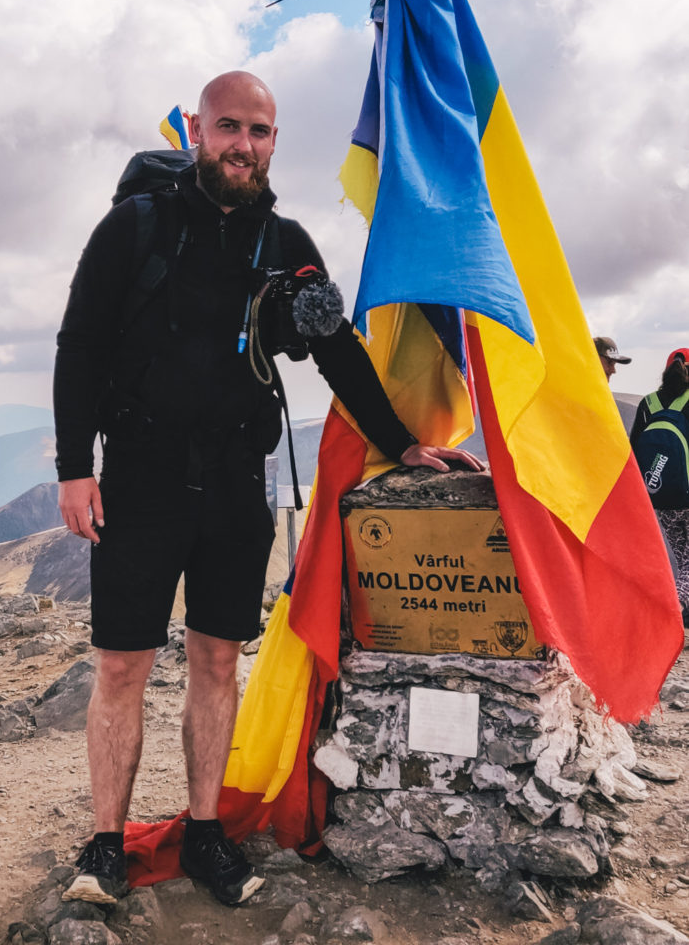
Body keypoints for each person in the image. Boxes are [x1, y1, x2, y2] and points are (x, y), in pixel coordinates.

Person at [53, 71, 485, 908]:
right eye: (227, 128)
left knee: (217, 660)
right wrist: (75, 469)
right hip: (138, 479)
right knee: (122, 668)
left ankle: (207, 834)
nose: (242, 145)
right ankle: (105, 845)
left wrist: (401, 443)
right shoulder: (133, 227)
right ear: (200, 133)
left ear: (274, 141)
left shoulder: (286, 243)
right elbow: (80, 345)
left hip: (235, 485)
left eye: (258, 131)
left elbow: (337, 350)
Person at [630, 348, 689, 625]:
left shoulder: (648, 403)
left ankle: (670, 608)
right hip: (687, 496)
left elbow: (634, 449)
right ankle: (676, 610)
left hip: (658, 496)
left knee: (677, 557)